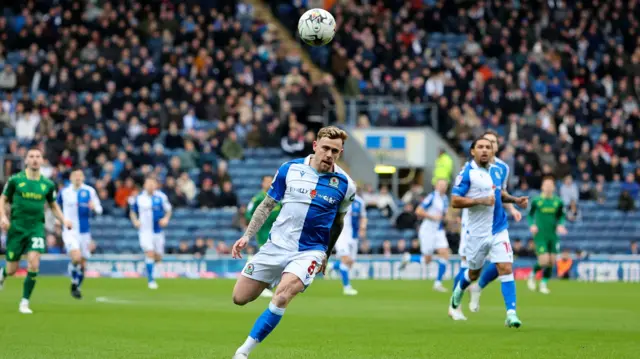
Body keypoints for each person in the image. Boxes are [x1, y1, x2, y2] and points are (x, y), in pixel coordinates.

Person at [229, 126, 356, 359]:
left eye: (335, 151)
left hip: (309, 251)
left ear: (340, 152)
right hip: (276, 245)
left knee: (282, 295)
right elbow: (267, 205)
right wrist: (247, 236)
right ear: (315, 146)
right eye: (325, 148)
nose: (329, 154)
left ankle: (243, 352)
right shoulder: (290, 169)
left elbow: (339, 222)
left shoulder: (345, 185)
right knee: (240, 298)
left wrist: (326, 253)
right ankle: (275, 275)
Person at [448, 137, 522, 328]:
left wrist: (515, 200)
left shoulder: (497, 170)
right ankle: (459, 291)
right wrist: (479, 200)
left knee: (505, 267)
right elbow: (455, 201)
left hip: (498, 229)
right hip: (477, 233)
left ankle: (511, 313)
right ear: (473, 151)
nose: (484, 150)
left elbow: (500, 194)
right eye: (480, 147)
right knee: (473, 274)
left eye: (488, 147)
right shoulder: (467, 173)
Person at [0, 148, 73, 314]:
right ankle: (3, 274)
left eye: (37, 157)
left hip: (36, 229)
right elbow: (3, 198)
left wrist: (64, 220)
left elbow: (53, 205)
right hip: (17, 229)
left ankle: (24, 302)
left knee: (34, 262)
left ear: (42, 161)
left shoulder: (47, 184)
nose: (34, 159)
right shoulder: (15, 180)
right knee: (12, 269)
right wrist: (3, 217)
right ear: (26, 160)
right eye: (31, 156)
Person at [467, 130, 527, 313]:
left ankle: (510, 311)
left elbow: (501, 193)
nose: (489, 146)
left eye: (493, 143)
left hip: (498, 223)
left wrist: (513, 207)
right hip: (477, 222)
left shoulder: (503, 168)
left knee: (505, 263)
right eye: (486, 143)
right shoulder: (472, 168)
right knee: (472, 268)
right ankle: (469, 288)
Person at [57, 168, 103, 299]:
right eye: (75, 175)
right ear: (70, 178)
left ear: (83, 178)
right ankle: (73, 273)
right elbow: (56, 207)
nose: (77, 178)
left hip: (85, 232)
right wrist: (58, 220)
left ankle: (75, 285)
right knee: (76, 257)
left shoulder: (90, 191)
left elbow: (100, 209)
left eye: (80, 175)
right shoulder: (64, 192)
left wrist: (94, 207)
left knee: (82, 263)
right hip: (70, 231)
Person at [129, 177, 173, 290]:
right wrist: (135, 221)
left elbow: (168, 210)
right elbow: (132, 211)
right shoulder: (139, 198)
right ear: (144, 185)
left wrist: (166, 219)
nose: (150, 186)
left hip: (158, 231)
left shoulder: (161, 197)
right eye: (148, 183)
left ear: (156, 185)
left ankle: (148, 268)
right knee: (150, 253)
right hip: (145, 231)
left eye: (152, 183)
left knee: (158, 257)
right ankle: (151, 280)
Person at [527, 177, 567, 294]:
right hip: (540, 235)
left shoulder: (558, 202)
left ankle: (544, 283)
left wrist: (561, 225)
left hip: (553, 235)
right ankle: (532, 275)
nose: (549, 187)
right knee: (544, 260)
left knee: (552, 261)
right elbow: (529, 215)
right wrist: (532, 225)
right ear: (542, 187)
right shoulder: (536, 200)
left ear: (554, 187)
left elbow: (562, 216)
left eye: (551, 185)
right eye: (546, 185)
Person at [245, 175, 282, 298]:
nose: (269, 183)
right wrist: (258, 224)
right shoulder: (258, 199)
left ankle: (268, 284)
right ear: (262, 184)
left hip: (278, 234)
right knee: (265, 259)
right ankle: (260, 285)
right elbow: (248, 214)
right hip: (263, 233)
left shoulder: (278, 198)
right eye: (266, 181)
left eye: (271, 181)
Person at [414, 179, 450, 292]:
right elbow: (418, 211)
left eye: (444, 185)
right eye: (440, 185)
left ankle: (438, 283)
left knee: (445, 253)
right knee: (427, 259)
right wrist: (432, 216)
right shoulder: (432, 197)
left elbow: (443, 216)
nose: (442, 187)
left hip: (438, 230)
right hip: (428, 230)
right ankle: (409, 258)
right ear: (436, 186)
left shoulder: (445, 199)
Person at [332, 192, 367, 295]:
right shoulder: (340, 199)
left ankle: (333, 266)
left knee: (350, 262)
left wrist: (363, 229)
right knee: (346, 260)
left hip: (353, 237)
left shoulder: (360, 202)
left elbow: (363, 216)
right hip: (341, 235)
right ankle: (347, 287)